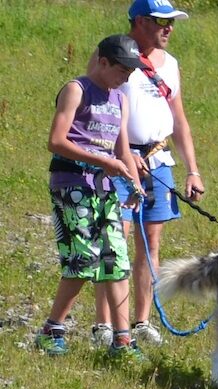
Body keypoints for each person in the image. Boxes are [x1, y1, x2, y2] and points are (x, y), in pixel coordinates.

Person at [36, 36, 144, 360]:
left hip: (105, 187)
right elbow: (55, 140)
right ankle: (52, 329)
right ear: (103, 62)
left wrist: (135, 186)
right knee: (83, 259)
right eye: (122, 70)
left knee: (116, 259)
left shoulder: (120, 100)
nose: (126, 77)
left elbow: (123, 149)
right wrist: (105, 162)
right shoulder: (76, 90)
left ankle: (122, 340)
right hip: (72, 183)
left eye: (131, 72)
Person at [118, 0, 206, 346]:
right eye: (160, 21)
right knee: (117, 239)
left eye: (172, 22)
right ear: (139, 21)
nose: (168, 28)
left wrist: (193, 170)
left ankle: (141, 321)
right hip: (121, 161)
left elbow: (179, 120)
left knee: (151, 241)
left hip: (157, 161)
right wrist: (122, 153)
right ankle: (111, 325)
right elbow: (100, 107)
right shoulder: (114, 53)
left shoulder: (170, 65)